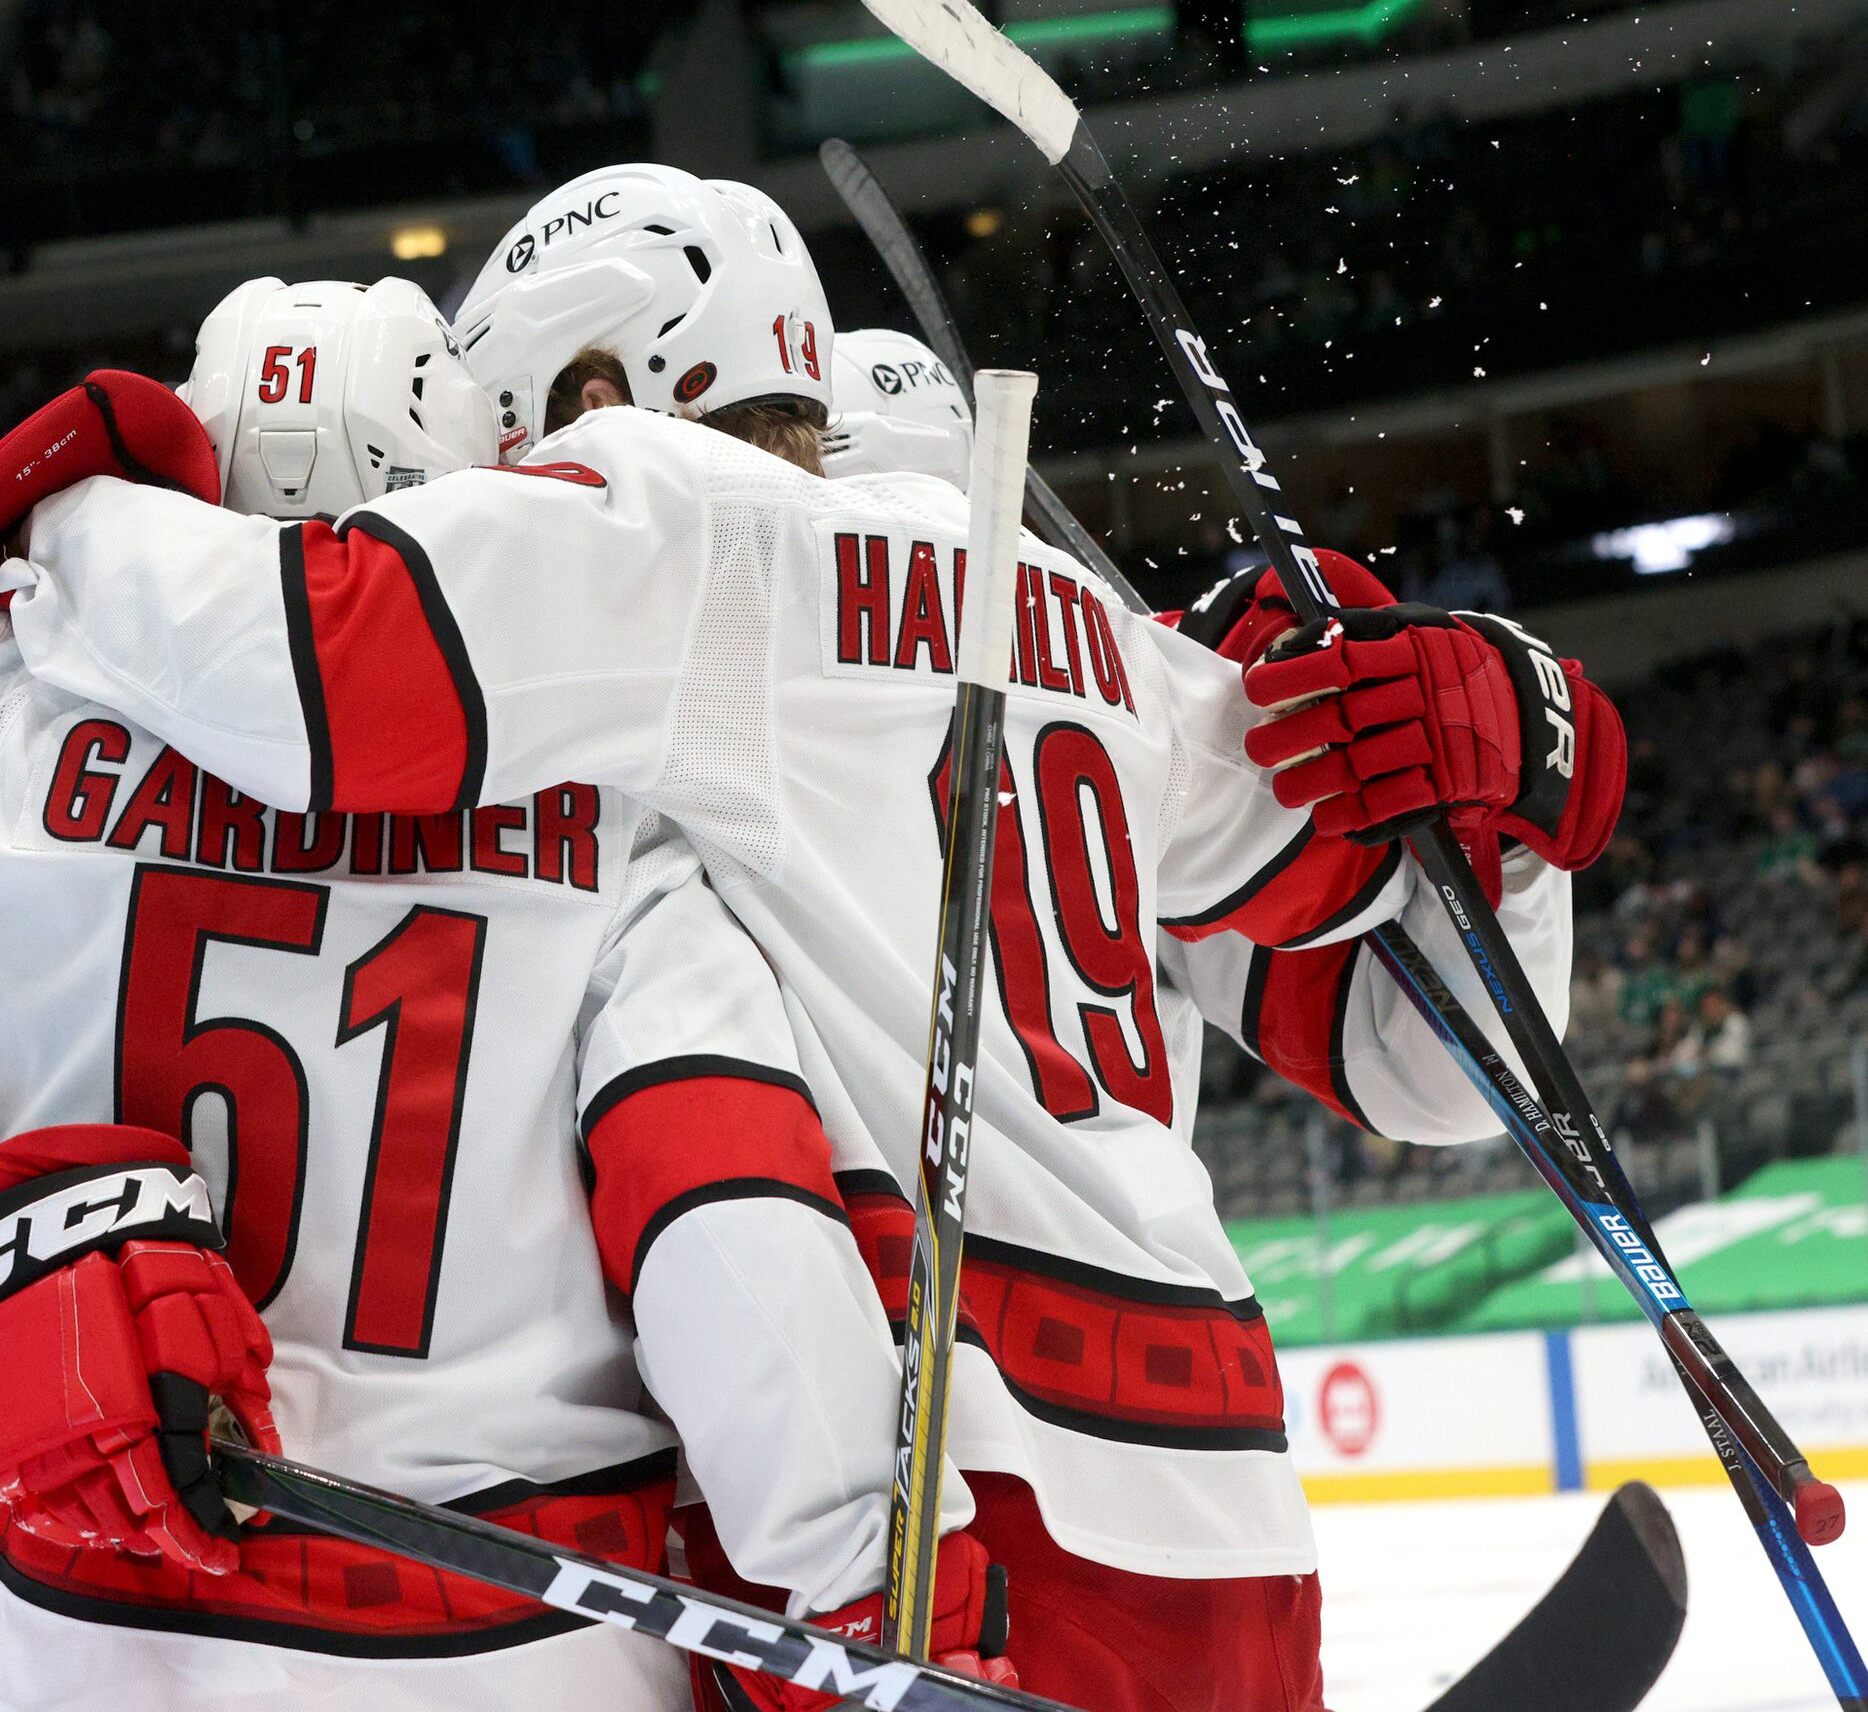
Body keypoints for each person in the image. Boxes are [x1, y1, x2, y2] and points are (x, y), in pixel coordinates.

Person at [0, 166, 1625, 1712]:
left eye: (509, 449)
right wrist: (1509, 785)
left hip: (953, 1477)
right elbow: (1430, 1068)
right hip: (1227, 1492)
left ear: (589, 396)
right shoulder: (1057, 606)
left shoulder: (665, 530)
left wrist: (69, 515)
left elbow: (304, 654)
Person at [0, 276, 1004, 1712]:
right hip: (521, 1641)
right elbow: (725, 1216)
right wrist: (865, 1574)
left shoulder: (18, 735)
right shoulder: (604, 814)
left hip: (78, 1623)